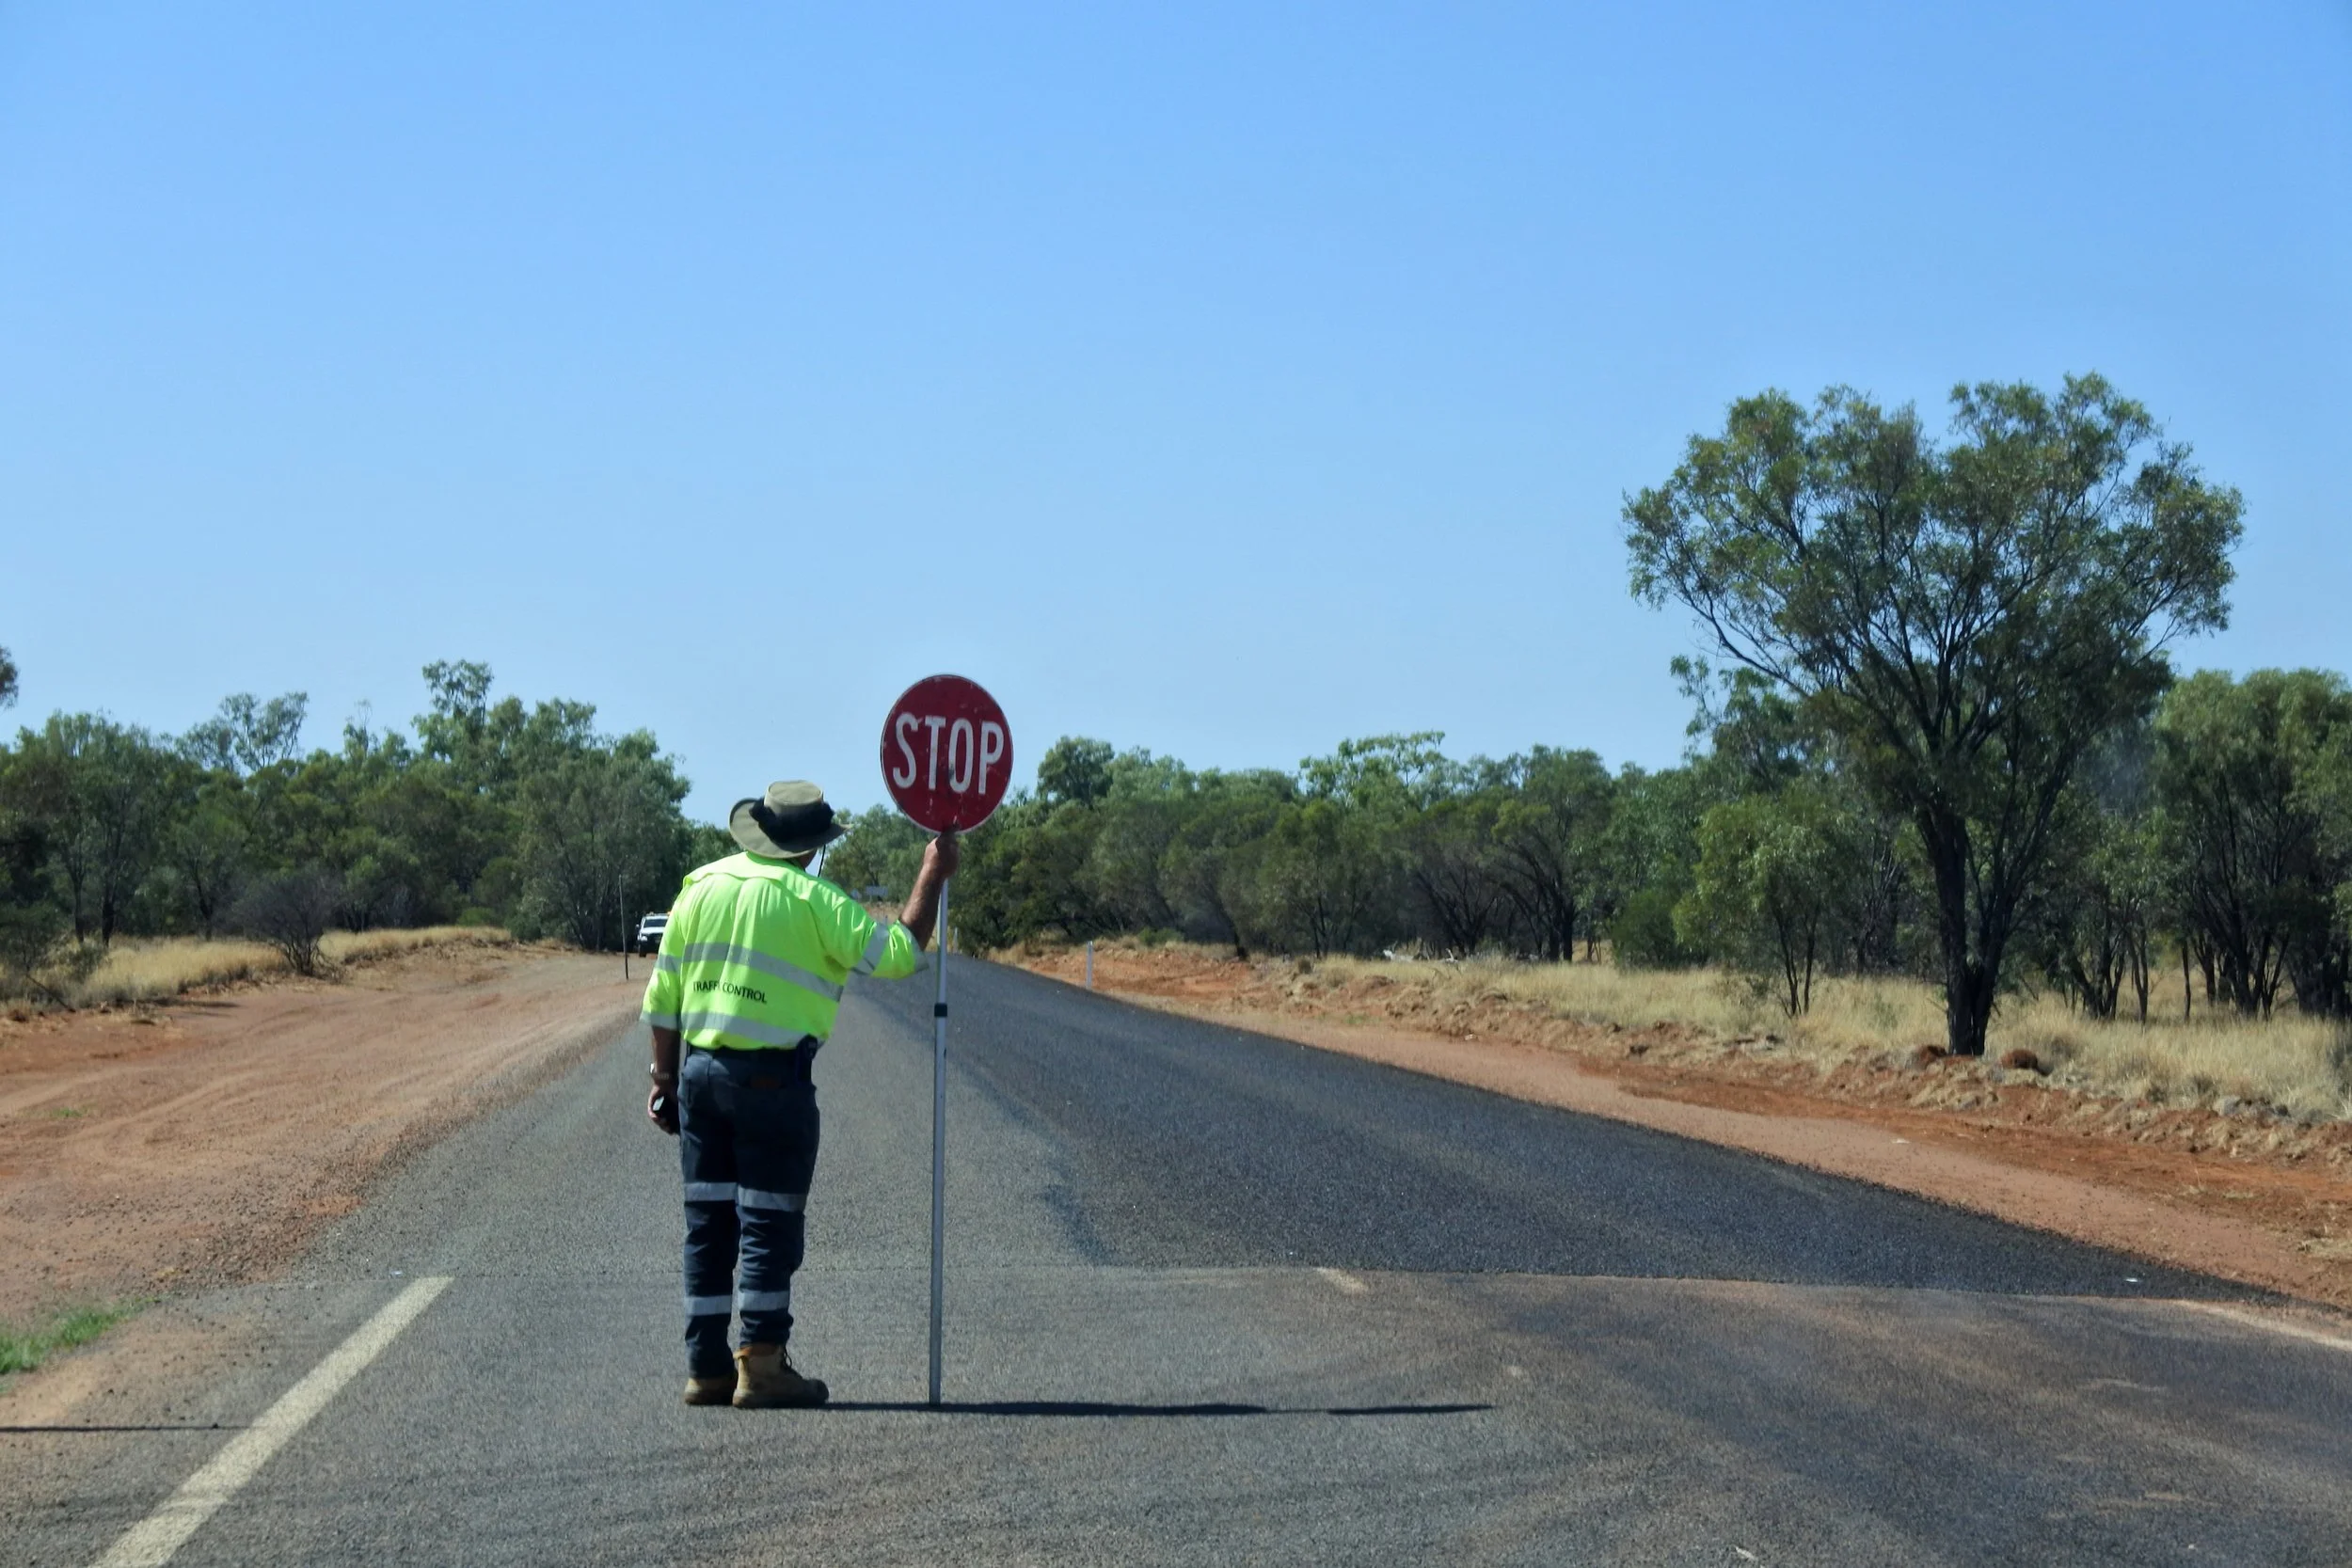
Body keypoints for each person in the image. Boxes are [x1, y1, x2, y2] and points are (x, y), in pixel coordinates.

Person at [642, 780, 957, 1408]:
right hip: (771, 1084)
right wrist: (933, 874)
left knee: (707, 1225)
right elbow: (897, 955)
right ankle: (761, 1363)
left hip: (700, 1076)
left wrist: (664, 1081)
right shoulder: (817, 901)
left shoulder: (701, 888)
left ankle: (705, 1367)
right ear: (812, 848)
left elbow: (663, 998)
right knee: (767, 1223)